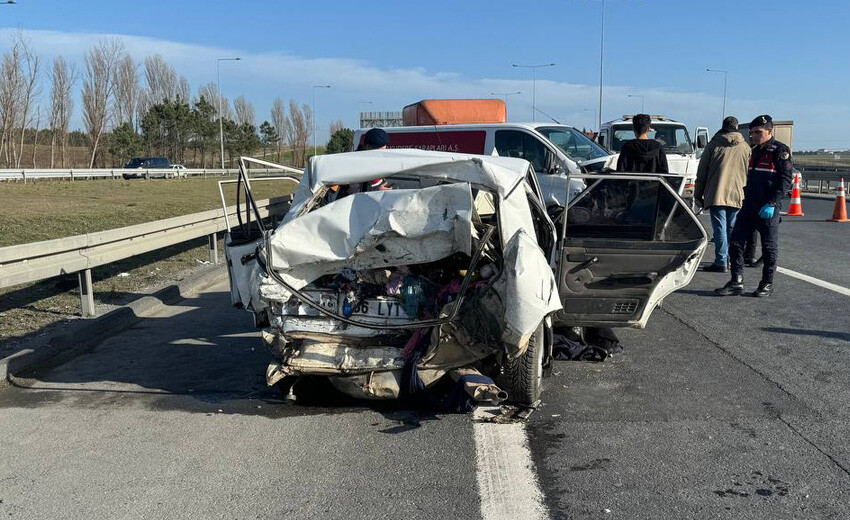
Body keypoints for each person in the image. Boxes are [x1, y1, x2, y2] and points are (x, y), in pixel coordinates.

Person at [716, 115, 793, 297]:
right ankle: (736, 281)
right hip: (749, 205)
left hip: (768, 206)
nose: (754, 135)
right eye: (752, 133)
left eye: (758, 132)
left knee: (769, 247)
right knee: (736, 242)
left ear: (769, 131)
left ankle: (766, 284)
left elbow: (785, 180)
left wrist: (772, 203)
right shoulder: (755, 150)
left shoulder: (780, 150)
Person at [694, 116, 751, 272]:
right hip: (738, 192)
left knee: (719, 228)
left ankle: (721, 261)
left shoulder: (714, 144)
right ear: (737, 127)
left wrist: (698, 194)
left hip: (716, 192)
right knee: (732, 228)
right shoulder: (745, 147)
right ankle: (732, 260)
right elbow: (749, 172)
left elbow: (702, 171)